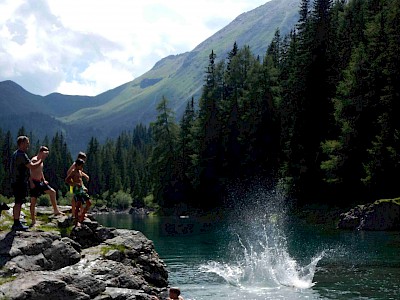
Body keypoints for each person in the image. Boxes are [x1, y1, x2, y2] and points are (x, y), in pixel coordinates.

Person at [10, 136, 43, 231]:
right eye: (27, 143)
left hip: (16, 181)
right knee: (18, 202)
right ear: (22, 143)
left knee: (18, 201)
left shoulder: (16, 153)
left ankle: (17, 221)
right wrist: (41, 159)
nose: (28, 144)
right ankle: (16, 223)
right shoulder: (21, 155)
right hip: (19, 182)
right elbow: (32, 166)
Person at [29, 145, 64, 227]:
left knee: (52, 192)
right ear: (41, 152)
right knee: (33, 201)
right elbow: (31, 170)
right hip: (34, 182)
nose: (46, 155)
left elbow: (40, 171)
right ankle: (33, 220)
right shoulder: (34, 160)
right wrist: (31, 182)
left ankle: (56, 210)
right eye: (45, 153)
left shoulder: (41, 161)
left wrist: (44, 180)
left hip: (40, 182)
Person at [65, 158, 91, 226]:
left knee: (89, 203)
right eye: (81, 166)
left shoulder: (80, 171)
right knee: (78, 205)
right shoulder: (73, 171)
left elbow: (81, 180)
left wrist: (84, 187)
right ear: (77, 165)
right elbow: (67, 180)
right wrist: (74, 184)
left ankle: (82, 216)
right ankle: (76, 222)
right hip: (77, 190)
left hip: (81, 189)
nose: (82, 167)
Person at [66, 152, 87, 217]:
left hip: (78, 183)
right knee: (75, 198)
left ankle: (77, 212)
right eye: (84, 159)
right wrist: (73, 182)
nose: (84, 161)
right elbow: (69, 172)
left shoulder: (79, 164)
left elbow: (79, 172)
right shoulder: (75, 164)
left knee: (77, 197)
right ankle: (75, 212)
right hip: (74, 183)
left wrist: (85, 176)